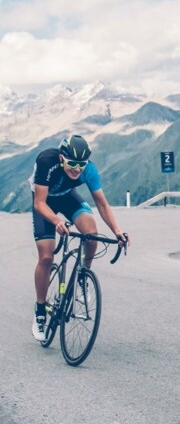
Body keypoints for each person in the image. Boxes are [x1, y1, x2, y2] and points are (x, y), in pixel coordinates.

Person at [29, 134, 129, 341]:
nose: (76, 168)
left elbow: (102, 204)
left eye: (81, 164)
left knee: (92, 236)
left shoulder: (89, 170)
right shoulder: (47, 161)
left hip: (67, 198)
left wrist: (117, 231)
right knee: (46, 257)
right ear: (61, 158)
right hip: (45, 202)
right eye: (72, 163)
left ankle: (83, 276)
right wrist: (56, 221)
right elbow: (39, 203)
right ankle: (40, 312)